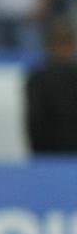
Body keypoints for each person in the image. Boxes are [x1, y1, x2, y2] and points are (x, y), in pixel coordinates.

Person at [26, 16, 77, 154]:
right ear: (73, 46)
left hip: (48, 156)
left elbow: (33, 120)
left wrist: (38, 154)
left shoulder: (37, 78)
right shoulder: (38, 78)